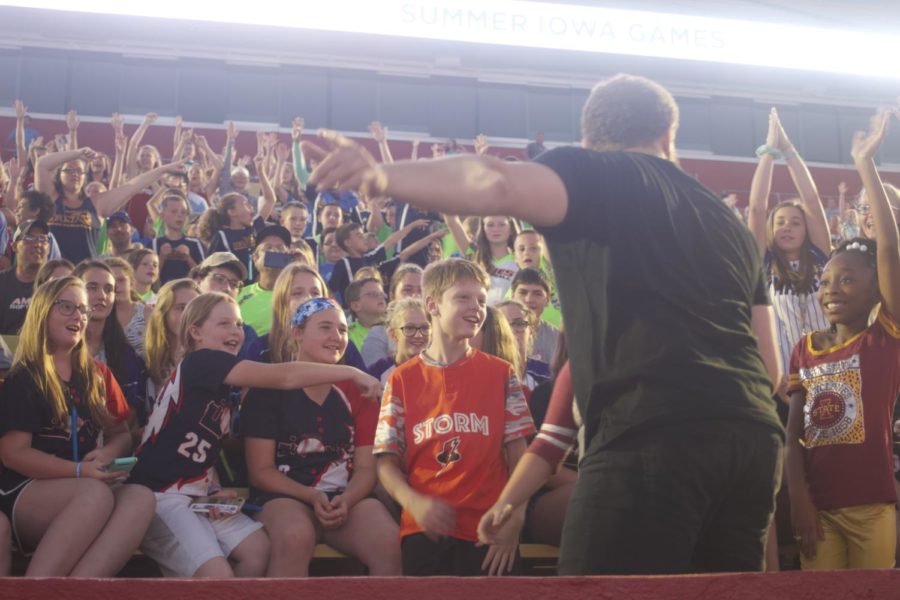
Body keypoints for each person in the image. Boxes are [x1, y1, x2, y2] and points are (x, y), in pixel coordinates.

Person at [305, 73, 784, 575]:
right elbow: (770, 369)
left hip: (652, 430)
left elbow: (500, 181)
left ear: (590, 141)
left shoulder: (596, 172)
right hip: (752, 440)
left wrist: (384, 175)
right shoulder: (729, 224)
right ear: (669, 136)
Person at [129, 291, 381, 578]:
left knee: (259, 552)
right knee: (218, 575)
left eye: (238, 324)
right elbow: (285, 378)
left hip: (193, 495)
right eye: (224, 324)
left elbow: (195, 446)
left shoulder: (223, 385)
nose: (236, 331)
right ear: (195, 332)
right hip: (161, 495)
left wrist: (211, 489)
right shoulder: (202, 362)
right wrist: (351, 372)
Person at [785, 107, 900, 570]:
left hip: (873, 506)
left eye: (848, 281)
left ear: (876, 289)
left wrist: (864, 164)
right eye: (827, 281)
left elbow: (889, 251)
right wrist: (798, 498)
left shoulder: (885, 339)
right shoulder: (804, 349)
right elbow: (794, 437)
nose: (832, 289)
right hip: (818, 509)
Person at [372, 258, 535, 576]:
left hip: (489, 532)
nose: (476, 307)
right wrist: (413, 502)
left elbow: (519, 454)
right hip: (425, 534)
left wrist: (515, 516)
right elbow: (386, 463)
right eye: (463, 297)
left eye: (482, 300)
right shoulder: (401, 379)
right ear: (432, 304)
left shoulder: (501, 374)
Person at [0, 276, 156, 576]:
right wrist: (78, 472)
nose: (78, 316)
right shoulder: (26, 376)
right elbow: (12, 454)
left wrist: (108, 454)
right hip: (26, 490)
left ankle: (78, 589)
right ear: (43, 312)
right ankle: (36, 591)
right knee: (94, 495)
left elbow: (120, 434)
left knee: (141, 498)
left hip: (83, 486)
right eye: (66, 307)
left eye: (83, 310)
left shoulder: (96, 374)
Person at [242, 298, 401, 576]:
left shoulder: (358, 390)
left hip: (343, 498)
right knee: (295, 536)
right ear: (297, 333)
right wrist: (312, 496)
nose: (336, 337)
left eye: (342, 330)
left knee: (388, 541)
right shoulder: (268, 386)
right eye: (325, 327)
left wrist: (347, 499)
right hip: (283, 497)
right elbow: (261, 472)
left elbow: (366, 468)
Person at [748, 108, 833, 396]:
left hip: (834, 371)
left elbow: (811, 198)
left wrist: (789, 150)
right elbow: (758, 207)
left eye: (795, 222)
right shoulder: (764, 262)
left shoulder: (823, 257)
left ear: (806, 230)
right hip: (786, 382)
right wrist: (769, 152)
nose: (787, 227)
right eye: (780, 222)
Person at [144, 278, 201, 408]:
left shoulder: (210, 359)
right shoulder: (144, 359)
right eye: (181, 308)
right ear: (163, 313)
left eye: (195, 308)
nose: (190, 314)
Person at [360, 263, 423, 367]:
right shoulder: (379, 334)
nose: (415, 296)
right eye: (407, 290)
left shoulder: (440, 334)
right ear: (392, 296)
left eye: (421, 290)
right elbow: (374, 379)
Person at [236, 225, 293, 336]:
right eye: (267, 248)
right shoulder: (238, 294)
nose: (274, 251)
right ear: (255, 258)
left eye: (280, 248)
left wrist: (306, 267)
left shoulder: (302, 294)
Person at [0, 219, 50, 335]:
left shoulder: (55, 285)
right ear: (14, 246)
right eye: (30, 238)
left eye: (43, 239)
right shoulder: (2, 283)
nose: (38, 244)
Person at [366, 298, 430, 383]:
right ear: (393, 334)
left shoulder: (441, 370)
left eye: (424, 328)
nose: (418, 335)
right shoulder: (377, 373)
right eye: (409, 328)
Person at [496, 300, 551, 391]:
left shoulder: (548, 375)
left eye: (519, 324)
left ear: (531, 332)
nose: (511, 330)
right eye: (503, 324)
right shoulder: (483, 372)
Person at [151, 194, 205, 285]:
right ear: (163, 215)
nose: (179, 215)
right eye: (174, 212)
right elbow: (149, 279)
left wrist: (188, 258)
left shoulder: (195, 243)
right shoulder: (154, 244)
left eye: (183, 212)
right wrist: (162, 258)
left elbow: (204, 276)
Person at [105, 257, 152, 358]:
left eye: (121, 280)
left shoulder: (147, 313)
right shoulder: (100, 316)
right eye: (111, 281)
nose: (116, 285)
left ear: (132, 283)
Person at [510, 268, 559, 363]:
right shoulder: (497, 331)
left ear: (548, 300)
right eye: (523, 293)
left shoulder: (557, 339)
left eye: (537, 294)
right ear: (512, 296)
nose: (529, 299)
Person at [345, 277, 386, 351]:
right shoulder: (347, 335)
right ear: (356, 306)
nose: (381, 297)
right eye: (373, 294)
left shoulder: (395, 329)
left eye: (382, 294)